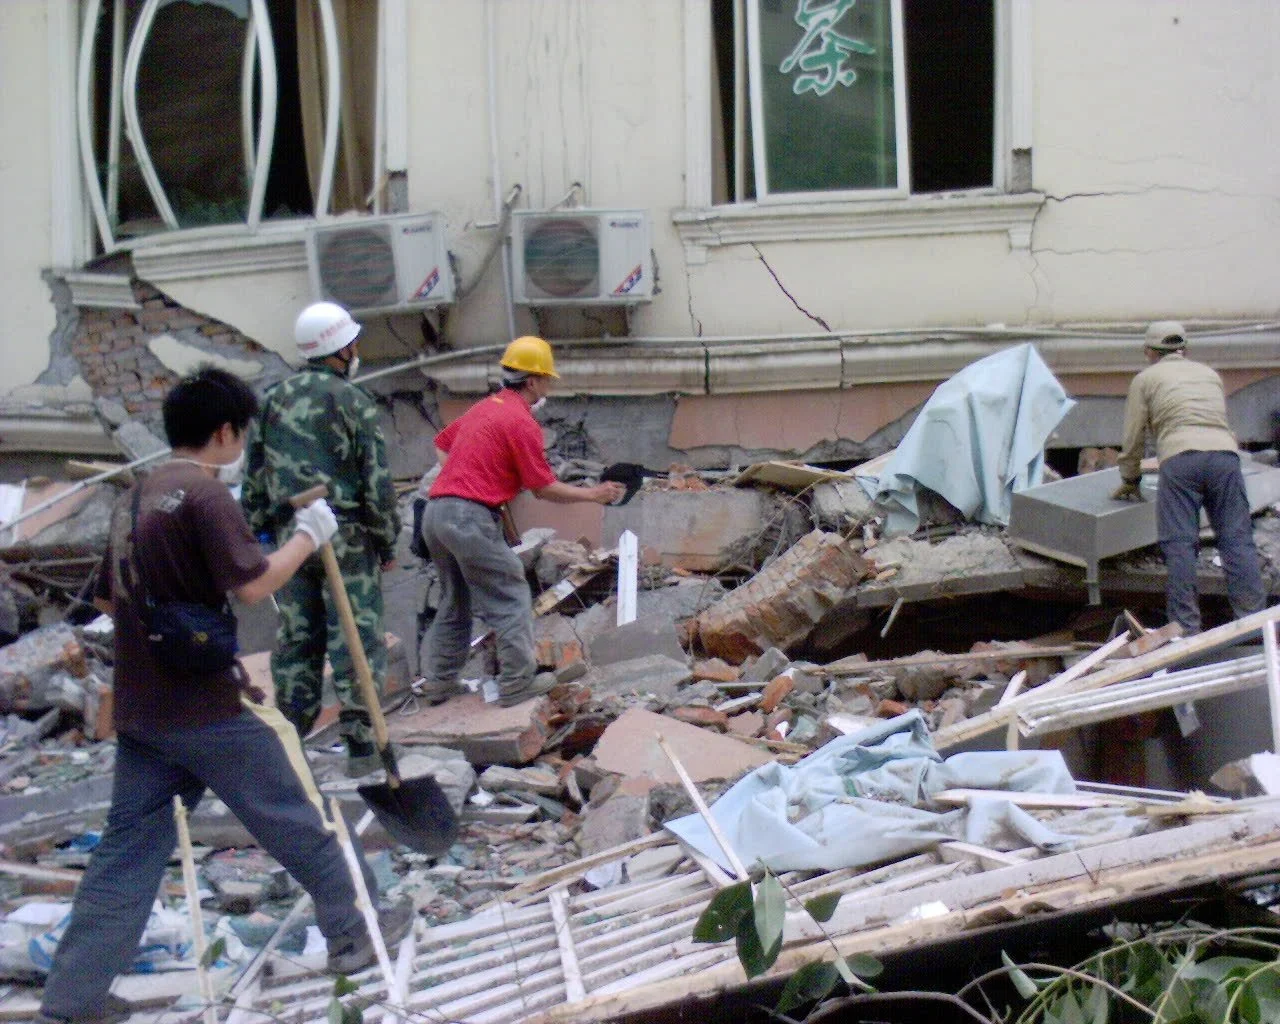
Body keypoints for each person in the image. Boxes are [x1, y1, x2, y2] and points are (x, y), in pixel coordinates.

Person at [36, 367, 410, 1024]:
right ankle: (356, 933)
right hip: (207, 705)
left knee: (127, 852)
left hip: (144, 710)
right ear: (226, 431)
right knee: (299, 816)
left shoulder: (137, 498)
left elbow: (102, 598)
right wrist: (308, 535)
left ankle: (71, 1001)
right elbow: (254, 586)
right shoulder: (205, 498)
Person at [419, 336, 625, 707]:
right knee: (510, 591)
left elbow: (442, 443)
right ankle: (516, 683)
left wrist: (465, 477)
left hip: (436, 513)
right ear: (532, 381)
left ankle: (438, 682)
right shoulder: (521, 421)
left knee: (455, 598)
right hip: (468, 516)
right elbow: (543, 488)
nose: (549, 386)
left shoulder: (485, 408)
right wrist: (592, 494)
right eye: (547, 378)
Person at [242, 302, 401, 778]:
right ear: (342, 347)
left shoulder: (271, 401)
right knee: (355, 638)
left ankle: (288, 747)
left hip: (292, 539)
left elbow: (253, 477)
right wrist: (386, 541)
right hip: (346, 535)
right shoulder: (353, 401)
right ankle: (363, 749)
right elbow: (376, 480)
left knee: (298, 640)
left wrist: (259, 533)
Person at [1112, 320, 1266, 633]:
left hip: (1180, 460)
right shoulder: (1209, 375)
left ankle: (1185, 626)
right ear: (1185, 349)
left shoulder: (1146, 379)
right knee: (1237, 540)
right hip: (1224, 457)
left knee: (1180, 544)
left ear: (1148, 352)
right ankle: (1253, 623)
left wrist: (1130, 479)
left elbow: (1133, 438)